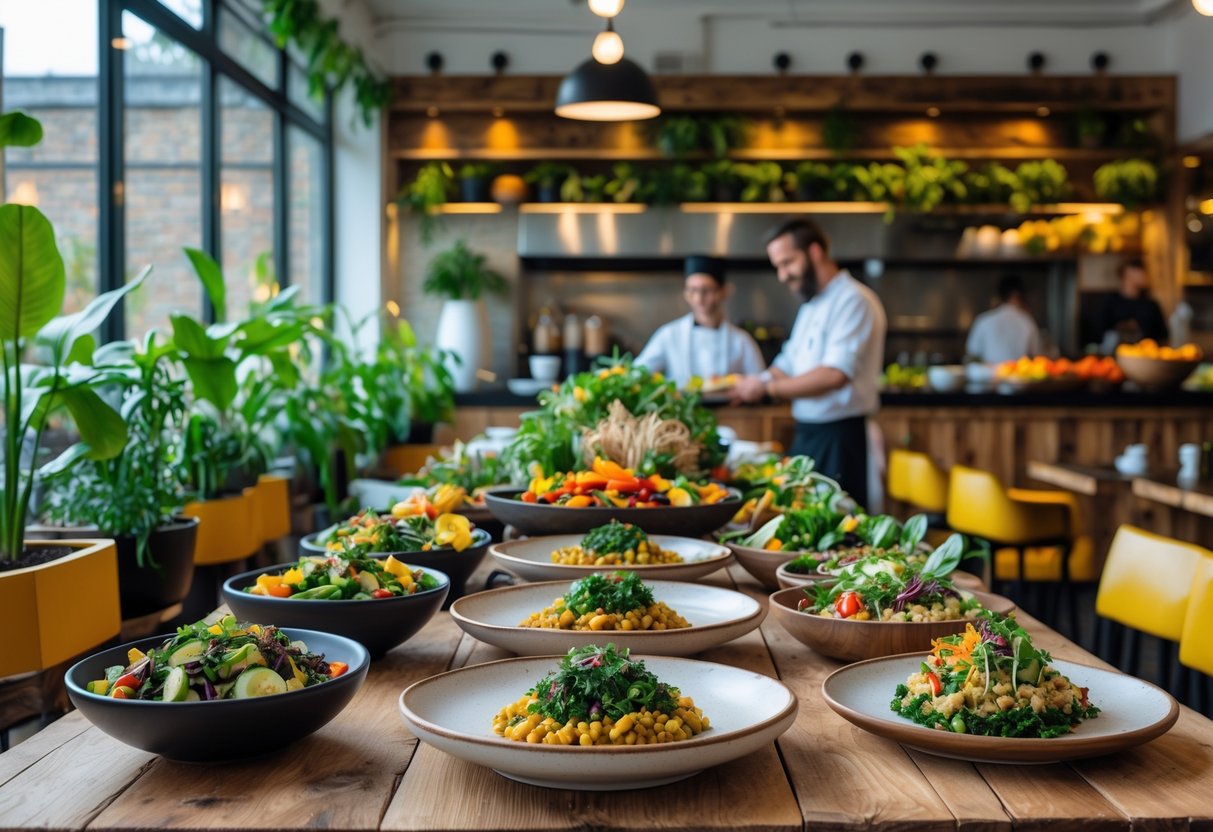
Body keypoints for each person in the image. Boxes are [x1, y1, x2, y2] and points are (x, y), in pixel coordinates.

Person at [731, 218, 887, 508]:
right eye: (777, 266)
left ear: (814, 252)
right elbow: (789, 361)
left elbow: (834, 374)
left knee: (843, 534)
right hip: (809, 434)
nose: (782, 275)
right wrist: (758, 381)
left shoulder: (853, 300)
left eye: (787, 263)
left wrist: (769, 390)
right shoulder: (812, 305)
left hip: (841, 439)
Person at [635, 255, 765, 388]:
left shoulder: (742, 340)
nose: (698, 298)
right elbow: (639, 372)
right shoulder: (669, 335)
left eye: (706, 290)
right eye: (692, 290)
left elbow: (760, 383)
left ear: (724, 291)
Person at [1087, 259, 1168, 350]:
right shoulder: (1110, 302)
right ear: (1128, 272)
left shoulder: (1151, 305)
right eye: (1141, 270)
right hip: (1114, 356)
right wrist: (1122, 327)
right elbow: (1097, 334)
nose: (1145, 275)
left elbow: (1163, 336)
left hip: (1145, 357)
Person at [964, 274, 1043, 364]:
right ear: (1018, 296)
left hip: (989, 376)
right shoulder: (1027, 321)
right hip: (1018, 375)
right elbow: (1035, 355)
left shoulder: (983, 320)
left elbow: (972, 354)